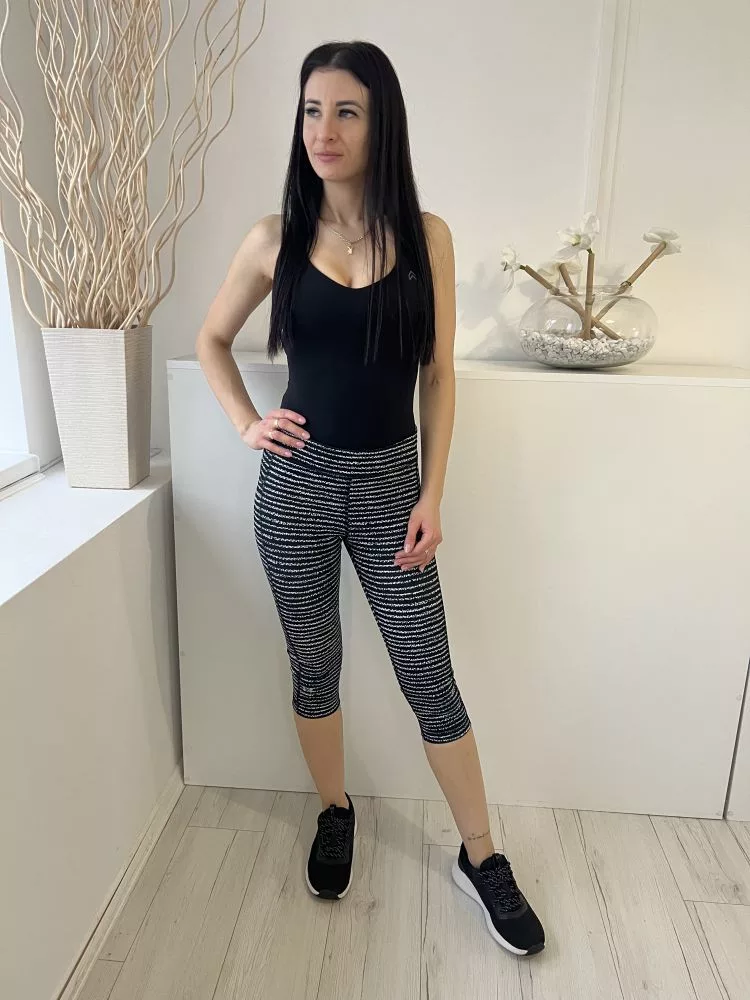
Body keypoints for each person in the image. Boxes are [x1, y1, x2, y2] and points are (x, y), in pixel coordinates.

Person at [195, 40, 544, 957]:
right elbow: (210, 340)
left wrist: (433, 491)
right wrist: (247, 425)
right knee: (315, 668)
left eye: (346, 111)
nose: (325, 129)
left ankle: (481, 855)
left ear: (381, 122)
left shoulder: (428, 237)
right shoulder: (272, 239)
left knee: (431, 677)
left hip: (393, 488)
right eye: (312, 110)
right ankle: (335, 812)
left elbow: (438, 375)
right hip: (297, 490)